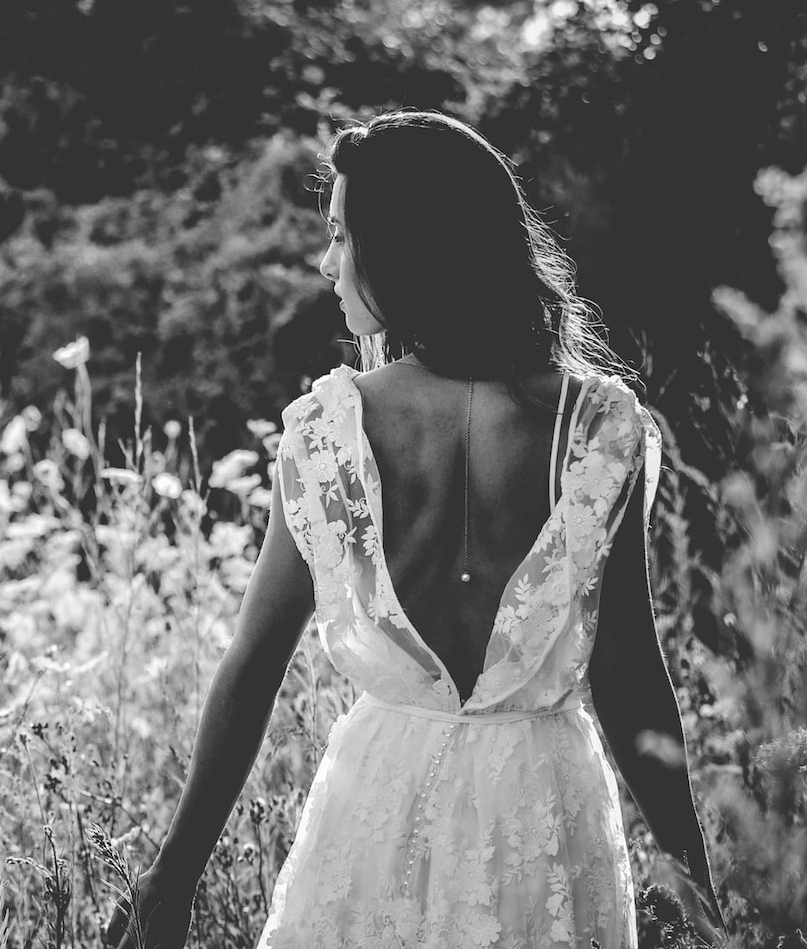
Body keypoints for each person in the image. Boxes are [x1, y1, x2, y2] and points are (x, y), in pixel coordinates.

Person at [103, 110, 725, 947]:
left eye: (341, 236)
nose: (328, 264)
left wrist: (174, 873)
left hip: (378, 807)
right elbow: (630, 679)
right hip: (544, 817)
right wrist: (699, 892)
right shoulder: (601, 430)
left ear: (401, 247)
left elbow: (253, 664)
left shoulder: (329, 432)